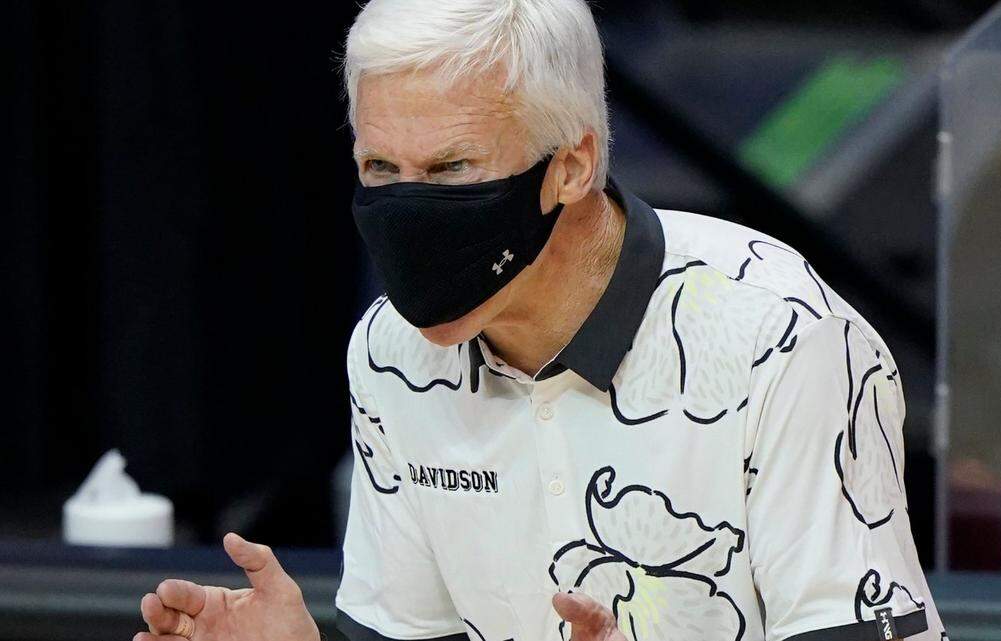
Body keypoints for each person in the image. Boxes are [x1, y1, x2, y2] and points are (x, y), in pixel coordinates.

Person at [136, 1, 948, 639]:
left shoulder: (786, 336)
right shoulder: (392, 354)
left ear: (573, 164)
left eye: (451, 168)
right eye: (381, 169)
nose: (407, 211)